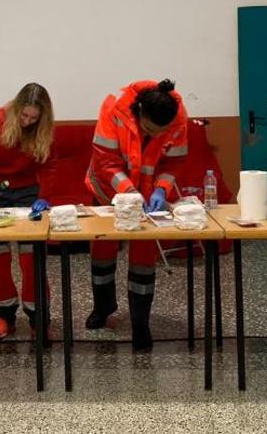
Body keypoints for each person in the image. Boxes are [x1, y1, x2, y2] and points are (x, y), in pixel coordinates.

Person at [84, 79, 188, 351]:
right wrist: (128, 192)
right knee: (102, 248)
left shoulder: (177, 118)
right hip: (108, 190)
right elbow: (104, 161)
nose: (155, 134)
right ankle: (103, 307)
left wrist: (162, 189)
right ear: (139, 112)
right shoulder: (113, 110)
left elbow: (175, 160)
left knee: (144, 256)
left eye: (160, 132)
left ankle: (140, 322)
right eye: (149, 130)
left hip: (149, 194)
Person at [0, 83, 55, 341]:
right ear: (16, 109)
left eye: (33, 119)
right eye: (24, 116)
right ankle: (4, 315)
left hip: (28, 191)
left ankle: (39, 318)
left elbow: (50, 167)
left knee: (32, 259)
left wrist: (44, 197)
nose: (27, 121)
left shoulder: (45, 129)